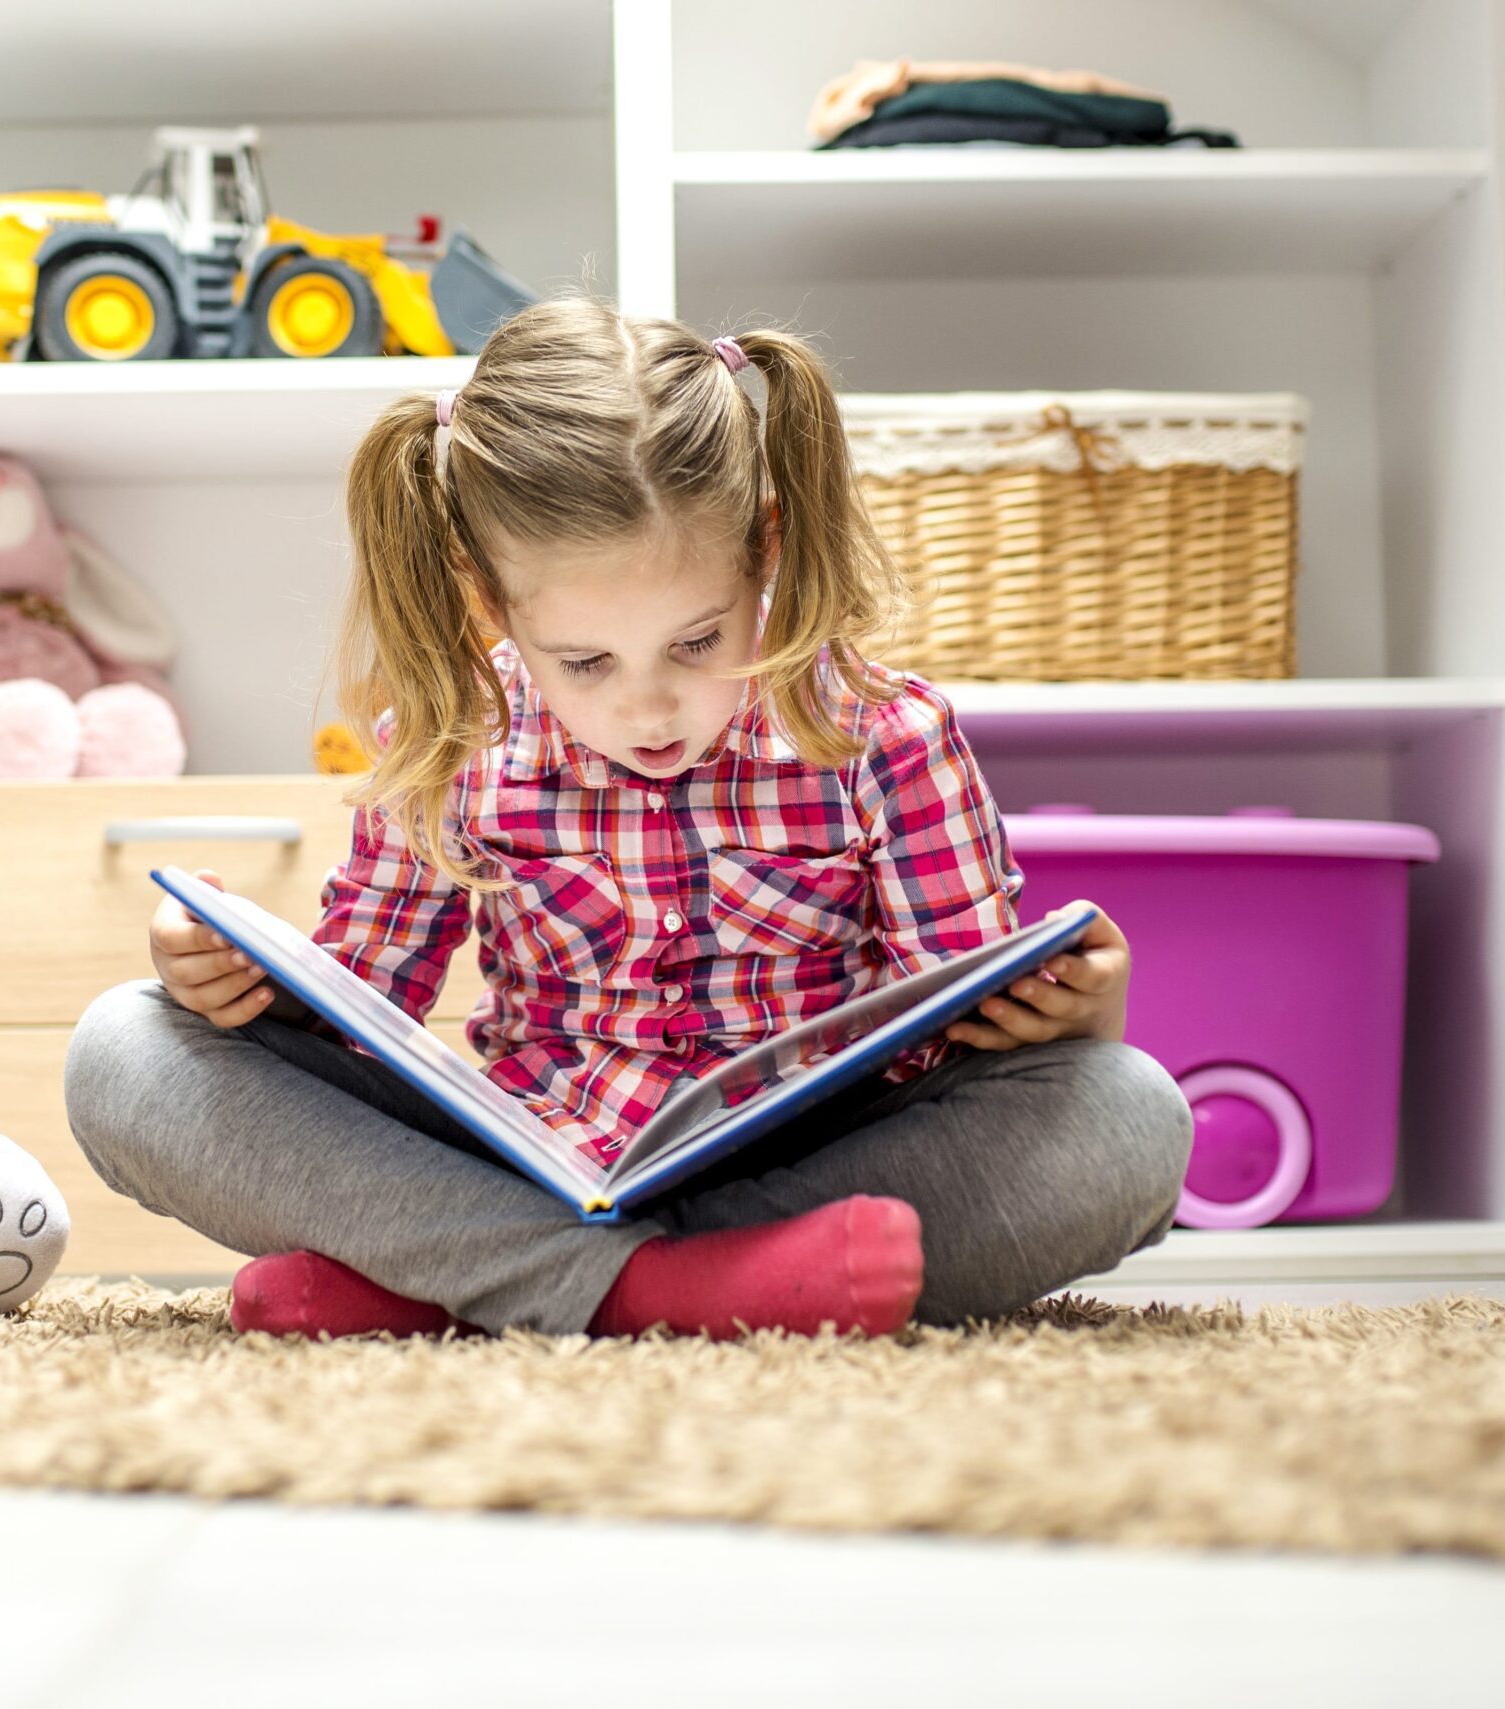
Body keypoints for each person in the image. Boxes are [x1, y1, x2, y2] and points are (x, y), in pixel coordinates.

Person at [65, 300, 1192, 1339]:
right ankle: (681, 1287)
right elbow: (358, 1018)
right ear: (485, 596)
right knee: (125, 1049)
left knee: (1129, 1115)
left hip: (817, 1162)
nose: (646, 705)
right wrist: (231, 979)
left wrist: (1077, 1015)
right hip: (522, 1157)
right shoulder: (452, 737)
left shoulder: (882, 735)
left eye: (697, 642)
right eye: (585, 660)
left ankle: (465, 1284)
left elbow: (962, 1026)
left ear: (765, 545)